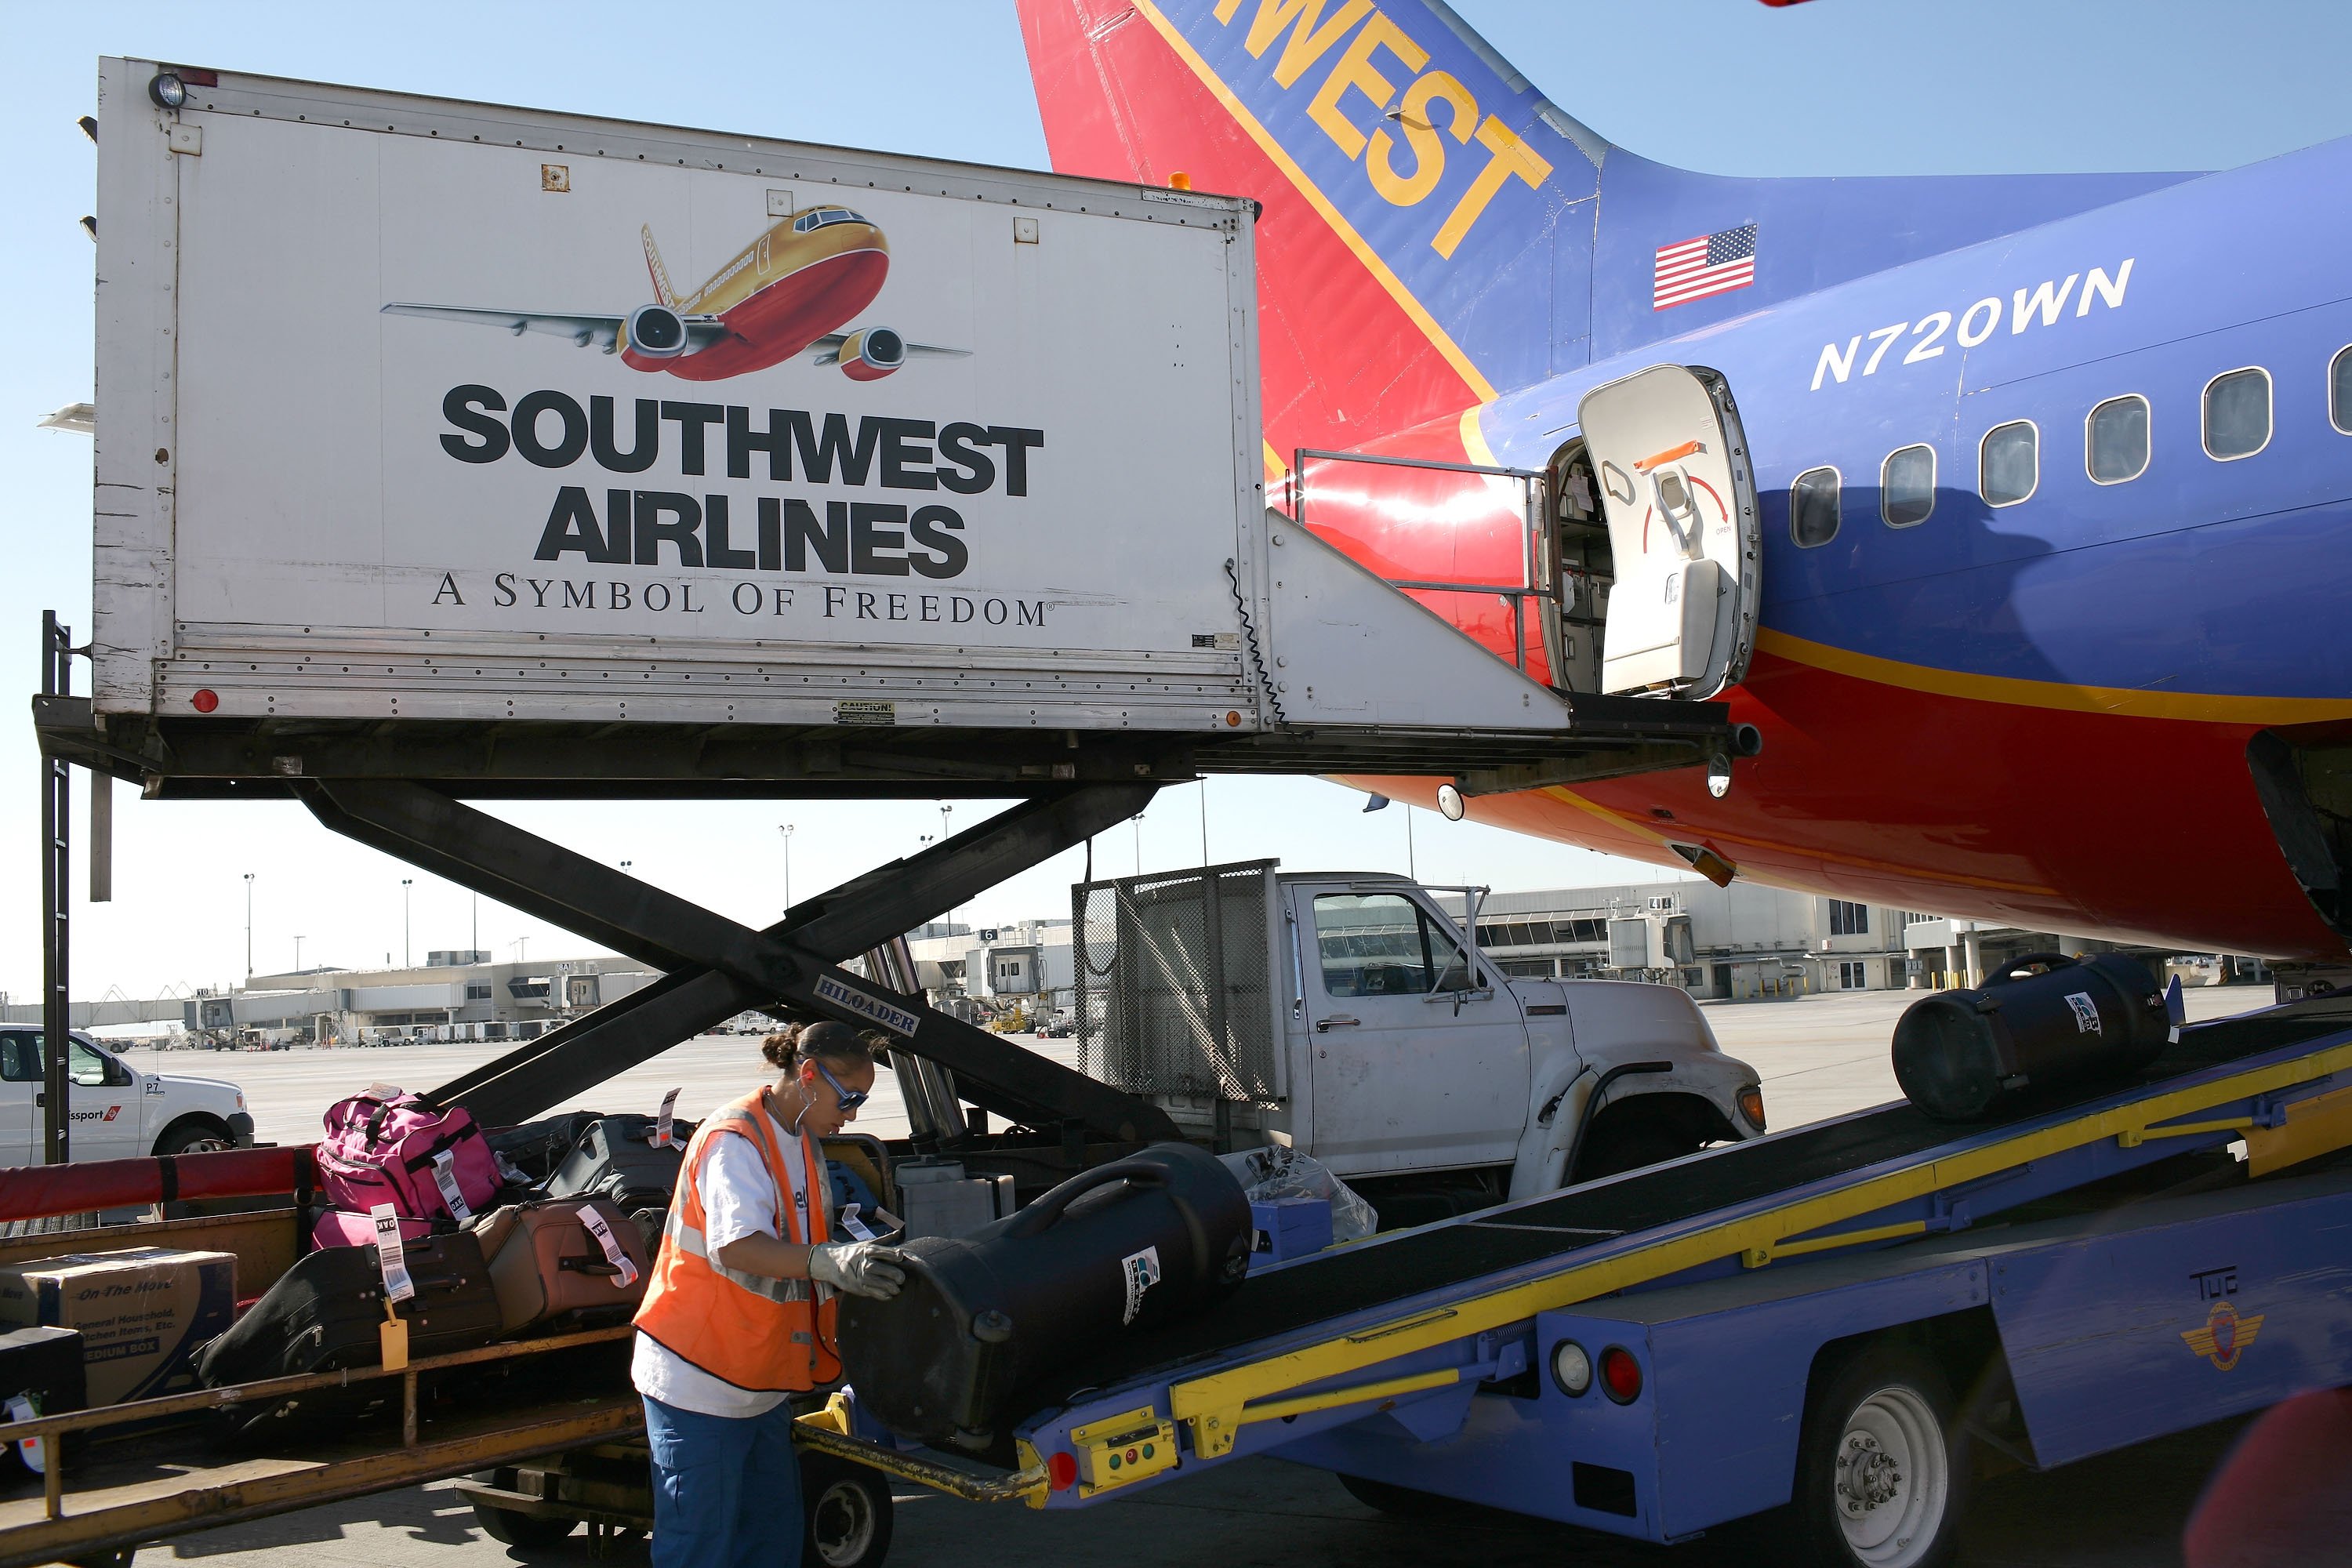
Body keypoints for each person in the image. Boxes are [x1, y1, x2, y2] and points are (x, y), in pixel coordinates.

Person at [631, 1020, 910, 1567]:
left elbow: (796, 1245)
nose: (853, 1115)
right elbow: (736, 1247)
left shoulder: (801, 1141)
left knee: (773, 1540)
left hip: (758, 1381)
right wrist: (826, 1262)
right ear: (808, 1076)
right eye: (849, 1098)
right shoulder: (735, 1141)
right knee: (701, 1548)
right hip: (700, 1380)